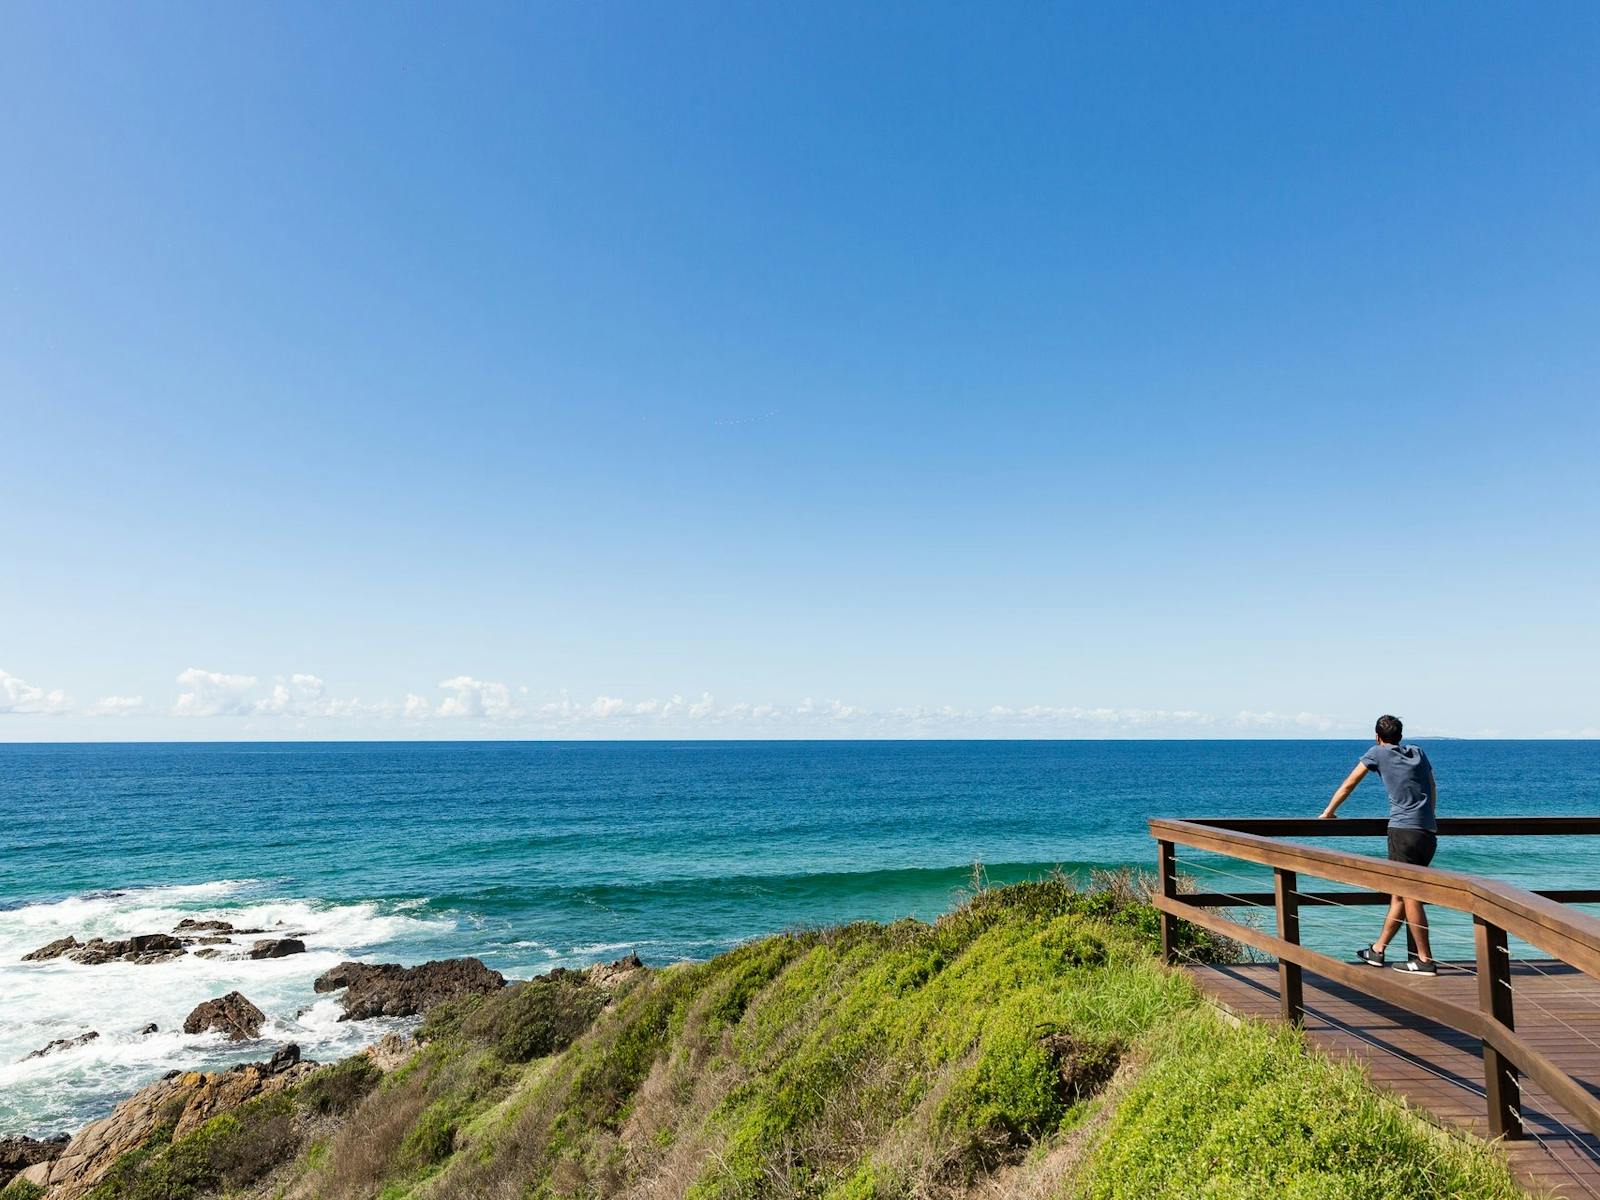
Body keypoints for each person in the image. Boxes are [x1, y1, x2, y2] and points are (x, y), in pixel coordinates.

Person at [1319, 714, 1439, 975]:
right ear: (1400, 736)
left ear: (1377, 736)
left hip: (1403, 832)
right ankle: (1378, 950)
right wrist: (1429, 816)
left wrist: (1328, 812)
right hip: (1428, 832)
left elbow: (1350, 783)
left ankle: (1425, 960)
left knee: (1409, 893)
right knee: (1401, 893)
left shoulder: (1378, 752)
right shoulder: (1418, 752)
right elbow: (1431, 786)